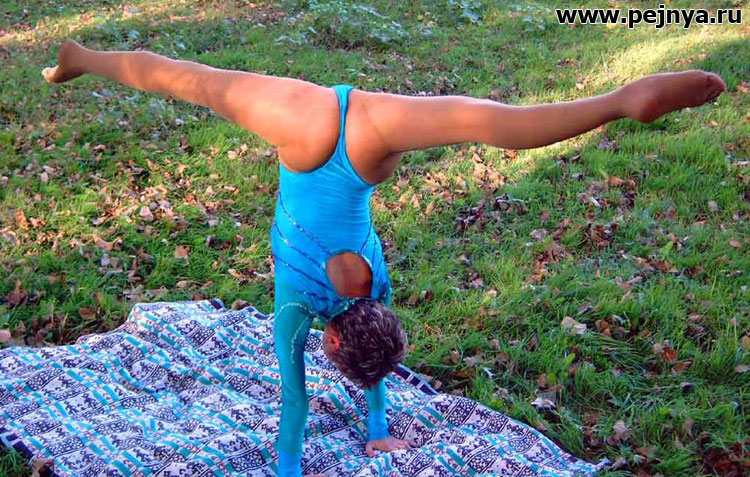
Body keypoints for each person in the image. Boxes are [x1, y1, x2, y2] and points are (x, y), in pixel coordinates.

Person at [43, 40, 726, 477]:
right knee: (192, 82)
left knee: (489, 120)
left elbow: (376, 357)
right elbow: (293, 404)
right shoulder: (295, 311)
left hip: (363, 136)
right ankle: (80, 54)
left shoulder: (377, 288)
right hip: (300, 133)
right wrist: (296, 466)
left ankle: (617, 101)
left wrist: (379, 422)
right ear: (333, 338)